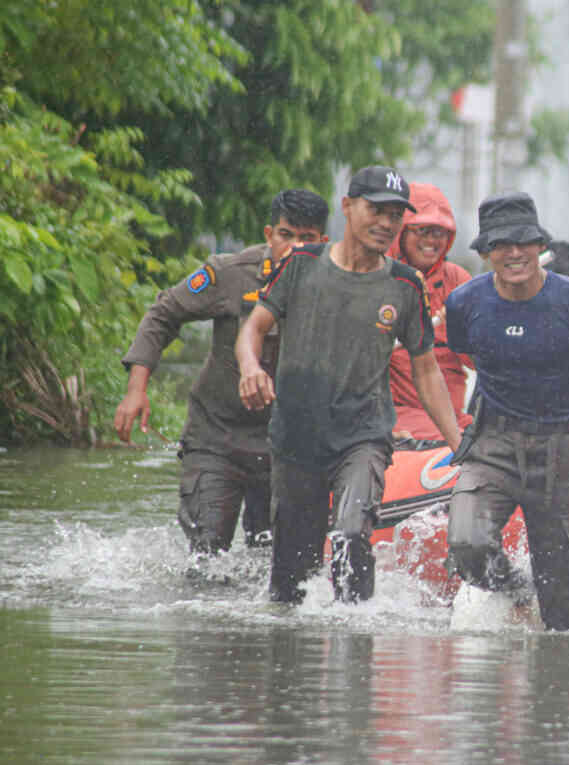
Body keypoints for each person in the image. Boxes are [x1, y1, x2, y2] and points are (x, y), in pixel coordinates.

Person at [236, 165, 462, 604]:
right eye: (376, 210)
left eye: (395, 215)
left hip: (364, 436)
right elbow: (255, 327)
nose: (385, 223)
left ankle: (357, 640)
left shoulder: (403, 284)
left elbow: (427, 369)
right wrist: (250, 367)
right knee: (290, 583)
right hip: (297, 437)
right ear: (347, 207)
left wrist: (459, 444)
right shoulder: (301, 265)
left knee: (352, 530)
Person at [115, 189, 329, 555]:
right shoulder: (231, 274)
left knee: (272, 561)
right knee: (208, 552)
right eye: (286, 235)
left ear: (323, 242)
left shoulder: (335, 287)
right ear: (268, 235)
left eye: (307, 239)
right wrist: (137, 388)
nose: (294, 248)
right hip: (216, 439)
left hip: (286, 446)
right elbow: (164, 312)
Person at [444, 191, 569, 631]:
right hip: (490, 444)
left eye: (525, 241)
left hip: (558, 446)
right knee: (467, 543)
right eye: (501, 244)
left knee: (562, 613)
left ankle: (556, 686)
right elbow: (468, 358)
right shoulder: (464, 303)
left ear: (541, 245)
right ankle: (516, 590)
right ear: (485, 252)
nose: (515, 253)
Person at [386, 181, 474, 440]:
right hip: (399, 416)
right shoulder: (380, 277)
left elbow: (480, 363)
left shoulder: (458, 281)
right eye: (422, 230)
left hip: (453, 418)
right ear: (401, 231)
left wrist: (463, 332)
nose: (431, 241)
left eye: (439, 232)